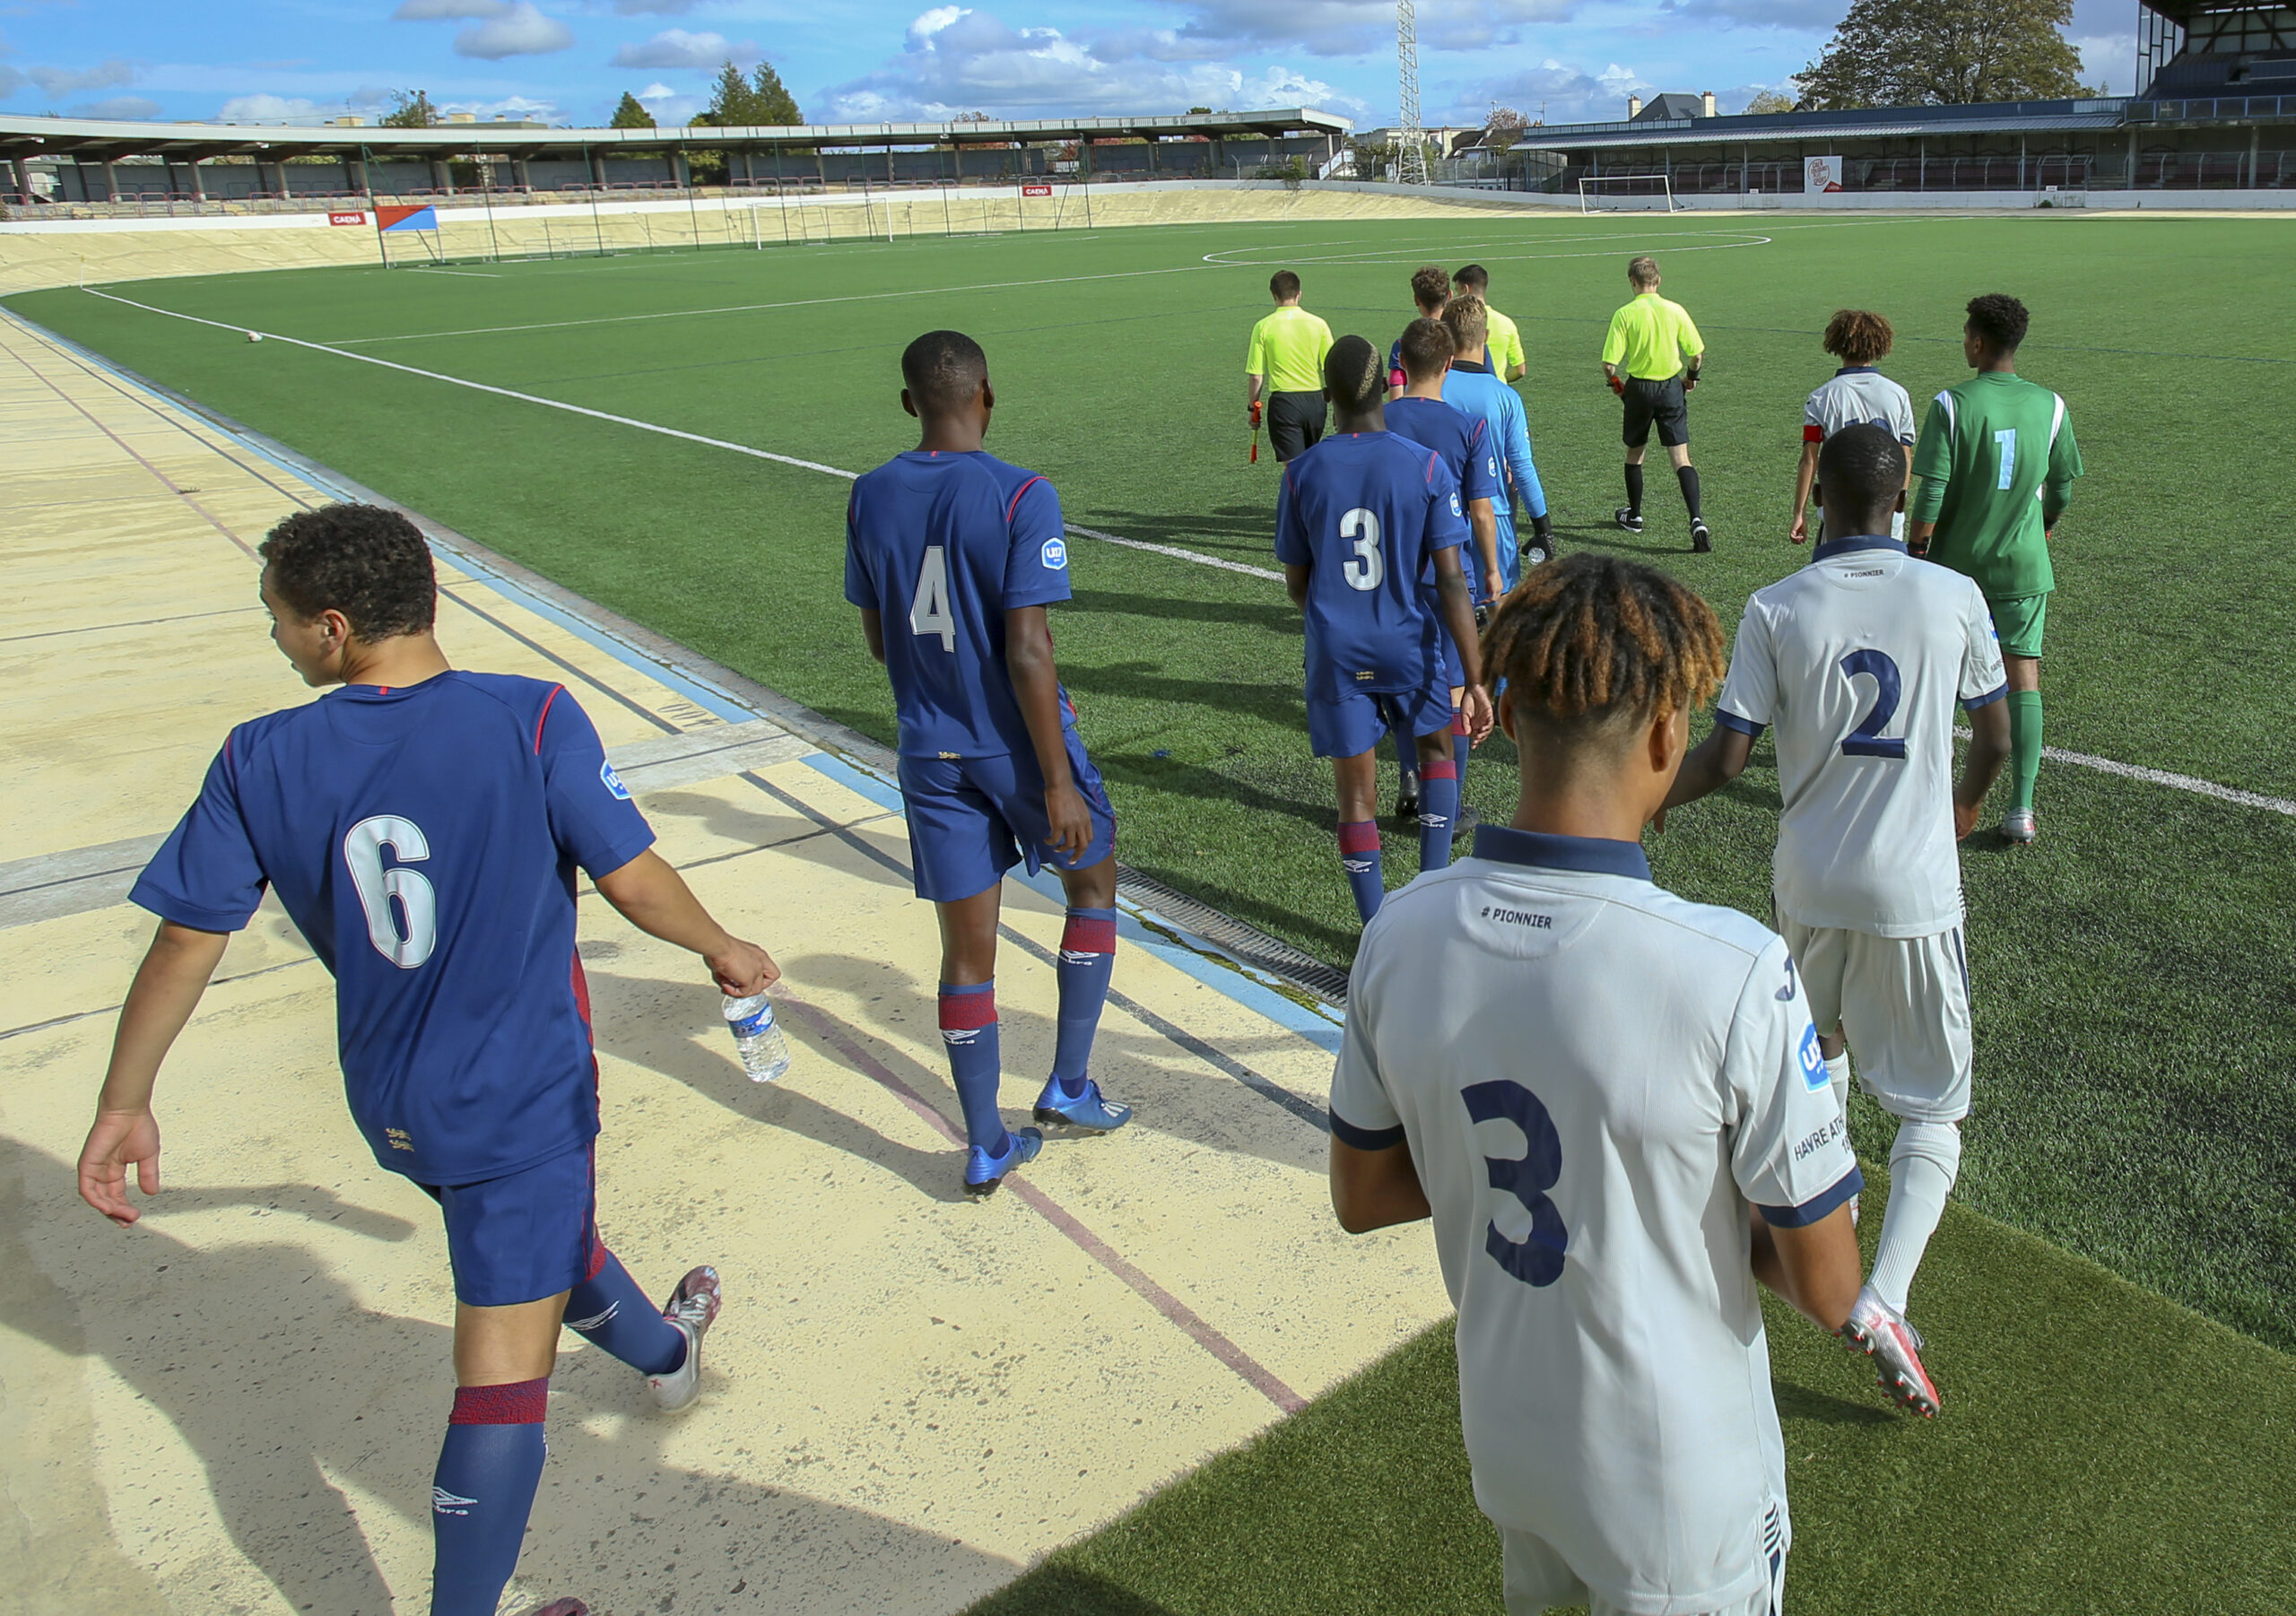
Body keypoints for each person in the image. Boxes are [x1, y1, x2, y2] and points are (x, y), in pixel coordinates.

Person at [77, 503, 777, 1616]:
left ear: (334, 629)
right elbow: (632, 878)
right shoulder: (533, 716)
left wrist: (125, 1101)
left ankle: (663, 1352)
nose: (275, 637)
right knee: (501, 1381)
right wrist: (724, 945)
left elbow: (184, 938)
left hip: (392, 1095)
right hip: (516, 1096)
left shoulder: (256, 753)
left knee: (544, 1237)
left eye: (278, 618)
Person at [1329, 552, 1863, 1616]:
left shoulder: (1399, 933)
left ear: (1511, 715)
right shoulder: (1732, 968)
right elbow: (1828, 1285)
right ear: (1667, 734)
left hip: (1511, 1442)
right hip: (1678, 1494)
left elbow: (1364, 1195)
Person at [1664, 424, 2014, 1418]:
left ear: (1818, 492)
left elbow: (1726, 760)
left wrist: (1644, 804)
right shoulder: (1952, 595)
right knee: (1933, 1109)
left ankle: (1813, 1217)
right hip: (1912, 892)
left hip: (1807, 885)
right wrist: (1963, 809)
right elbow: (1994, 732)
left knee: (1813, 1048)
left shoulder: (1777, 604)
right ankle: (1884, 1297)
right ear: (1902, 499)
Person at [845, 329, 1133, 1197]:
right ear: (987, 394)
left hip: (926, 752)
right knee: (1093, 883)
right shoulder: (1021, 494)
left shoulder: (868, 494)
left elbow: (876, 638)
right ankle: (1069, 1084)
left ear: (908, 404)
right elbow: (1030, 648)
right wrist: (1053, 779)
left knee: (964, 952)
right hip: (1014, 746)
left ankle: (984, 1144)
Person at [1275, 334, 1494, 921]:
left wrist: (1336, 616)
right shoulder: (1422, 466)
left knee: (1355, 798)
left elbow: (1298, 583)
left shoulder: (1301, 473)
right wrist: (1473, 679)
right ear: (1383, 388)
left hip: (1338, 652)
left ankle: (1375, 931)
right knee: (1434, 751)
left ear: (1327, 398)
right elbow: (1452, 582)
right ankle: (1428, 893)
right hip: (1410, 642)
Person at [1908, 292, 2083, 845]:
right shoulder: (2051, 405)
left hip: (1954, 573)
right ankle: (2021, 809)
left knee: (1935, 679)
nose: (1963, 341)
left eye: (1966, 334)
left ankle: (1923, 792)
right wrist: (2045, 523)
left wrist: (1915, 550)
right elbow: (2063, 487)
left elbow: (1931, 489)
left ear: (1979, 342)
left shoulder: (1952, 404)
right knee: (2022, 676)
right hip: (2023, 571)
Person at [1383, 315, 1503, 829]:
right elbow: (1481, 511)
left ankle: (1411, 775)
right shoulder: (1466, 427)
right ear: (1450, 364)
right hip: (1448, 576)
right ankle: (1447, 803)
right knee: (1456, 688)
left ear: (1402, 366)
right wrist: (1493, 572)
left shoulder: (1379, 423)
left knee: (1404, 683)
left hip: (1391, 578)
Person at [1440, 295, 1555, 581]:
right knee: (1499, 608)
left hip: (1440, 521)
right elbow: (1522, 468)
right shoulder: (1505, 397)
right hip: (1495, 519)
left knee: (1446, 609)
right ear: (1486, 336)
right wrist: (1543, 527)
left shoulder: (1432, 389)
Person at [1600, 255, 1710, 552]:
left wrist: (1617, 386)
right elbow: (1697, 354)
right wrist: (1692, 378)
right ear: (1658, 281)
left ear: (1632, 282)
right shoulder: (1674, 310)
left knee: (1635, 454)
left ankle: (1634, 516)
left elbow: (1609, 364)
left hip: (1638, 388)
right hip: (1671, 388)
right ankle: (1697, 519)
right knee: (1681, 459)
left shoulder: (1625, 314)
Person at [1790, 308, 1915, 545]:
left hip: (1839, 509)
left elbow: (1809, 459)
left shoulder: (1821, 397)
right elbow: (1905, 452)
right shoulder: (1898, 394)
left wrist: (1799, 513)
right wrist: (1899, 503)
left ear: (1837, 343)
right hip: (1885, 510)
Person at [1245, 269, 1336, 462]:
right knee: (1310, 463)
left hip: (1285, 404)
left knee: (1294, 469)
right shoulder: (1319, 324)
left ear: (1273, 295)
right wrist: (1338, 407)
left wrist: (1252, 409)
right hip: (1315, 402)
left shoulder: (1263, 326)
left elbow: (1256, 376)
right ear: (1299, 293)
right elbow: (1331, 369)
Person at [1386, 263, 1454, 398]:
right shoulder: (1460, 339)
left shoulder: (1403, 344)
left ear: (1417, 300)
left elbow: (1396, 396)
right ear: (1450, 295)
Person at [1452, 263, 1526, 382]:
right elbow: (1520, 370)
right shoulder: (1507, 323)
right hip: (1496, 391)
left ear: (1465, 289)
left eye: (1457, 290)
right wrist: (1502, 381)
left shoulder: (1456, 321)